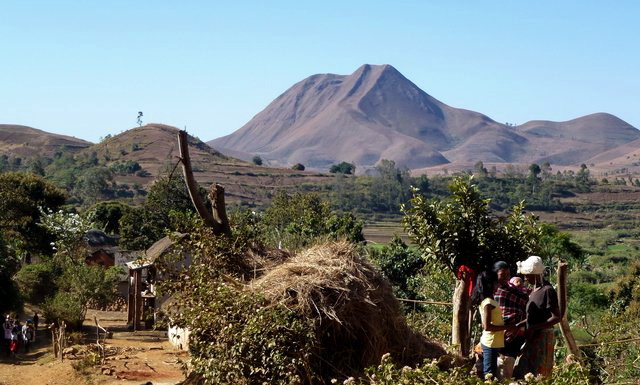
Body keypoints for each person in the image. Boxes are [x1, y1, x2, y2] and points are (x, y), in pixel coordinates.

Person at [513, 256, 561, 379]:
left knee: (539, 374)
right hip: (532, 336)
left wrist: (535, 327)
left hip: (542, 338)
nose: (525, 278)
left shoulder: (547, 290)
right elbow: (535, 316)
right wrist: (522, 324)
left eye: (527, 275)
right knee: (526, 372)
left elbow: (556, 317)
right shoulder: (535, 290)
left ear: (535, 275)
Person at [471, 270, 517, 379]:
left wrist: (504, 330)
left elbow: (492, 323)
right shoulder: (488, 302)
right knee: (489, 374)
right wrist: (508, 327)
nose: (498, 285)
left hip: (494, 342)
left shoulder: (489, 301)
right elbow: (487, 326)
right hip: (490, 343)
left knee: (491, 371)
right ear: (490, 284)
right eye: (496, 283)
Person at [492, 261, 528, 378]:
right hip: (494, 331)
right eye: (502, 275)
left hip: (512, 332)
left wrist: (515, 325)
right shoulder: (491, 290)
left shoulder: (514, 291)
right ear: (495, 274)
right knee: (493, 364)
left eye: (508, 275)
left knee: (506, 362)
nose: (506, 278)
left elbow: (525, 303)